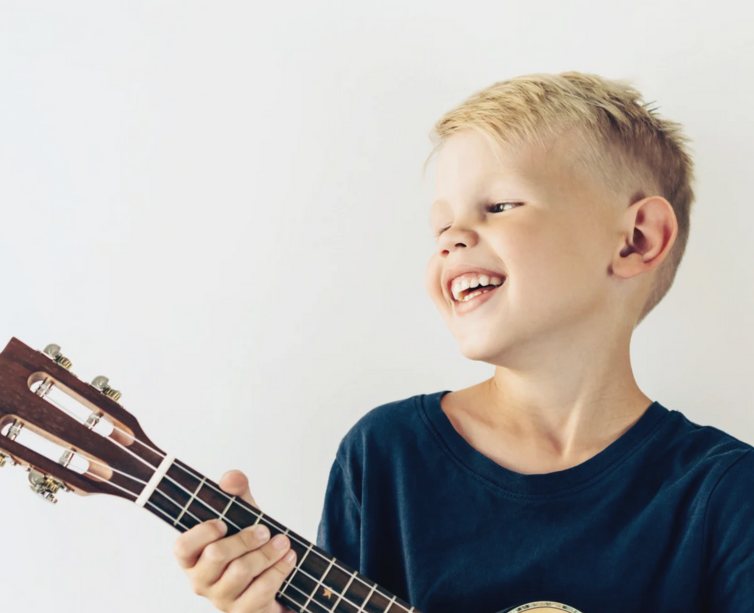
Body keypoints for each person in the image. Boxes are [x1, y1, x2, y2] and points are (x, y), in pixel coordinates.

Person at [171, 71, 754, 613]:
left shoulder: (726, 492)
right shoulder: (387, 456)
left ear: (635, 240)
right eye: (440, 227)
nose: (452, 240)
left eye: (498, 206)